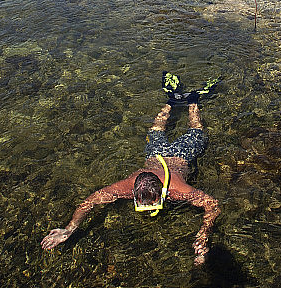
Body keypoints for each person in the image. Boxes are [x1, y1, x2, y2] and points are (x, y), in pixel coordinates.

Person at [41, 73, 221, 266]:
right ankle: (174, 101)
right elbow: (90, 201)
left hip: (180, 155)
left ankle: (191, 102)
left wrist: (203, 236)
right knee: (156, 131)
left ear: (162, 191)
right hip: (157, 153)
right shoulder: (125, 187)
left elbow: (213, 205)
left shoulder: (176, 189)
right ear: (134, 192)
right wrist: (69, 229)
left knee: (194, 130)